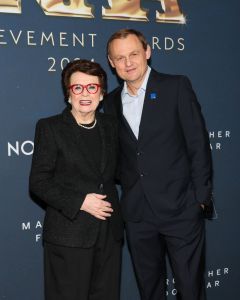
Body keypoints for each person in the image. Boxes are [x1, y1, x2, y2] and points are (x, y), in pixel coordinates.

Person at [104, 29, 213, 300]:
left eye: (133, 54)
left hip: (181, 210)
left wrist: (199, 200)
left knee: (190, 290)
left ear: (148, 52)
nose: (128, 63)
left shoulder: (176, 86)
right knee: (150, 290)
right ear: (111, 62)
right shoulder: (110, 102)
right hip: (138, 215)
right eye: (120, 57)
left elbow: (197, 144)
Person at [29, 59, 123, 300]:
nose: (85, 94)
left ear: (101, 94)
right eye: (77, 88)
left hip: (109, 234)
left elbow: (123, 171)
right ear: (68, 94)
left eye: (92, 87)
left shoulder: (112, 126)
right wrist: (81, 201)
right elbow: (39, 182)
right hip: (68, 235)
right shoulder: (50, 128)